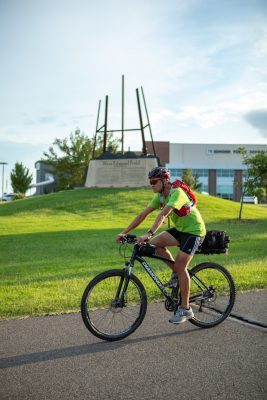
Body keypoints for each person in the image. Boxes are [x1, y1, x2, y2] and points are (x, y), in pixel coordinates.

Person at [116, 166, 206, 324]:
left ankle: (185, 309)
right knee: (155, 245)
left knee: (181, 266)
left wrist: (148, 234)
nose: (151, 185)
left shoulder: (176, 193)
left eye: (154, 182)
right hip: (181, 229)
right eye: (150, 182)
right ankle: (176, 274)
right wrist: (124, 232)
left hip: (194, 231)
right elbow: (143, 214)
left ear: (164, 181)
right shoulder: (160, 196)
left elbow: (163, 214)